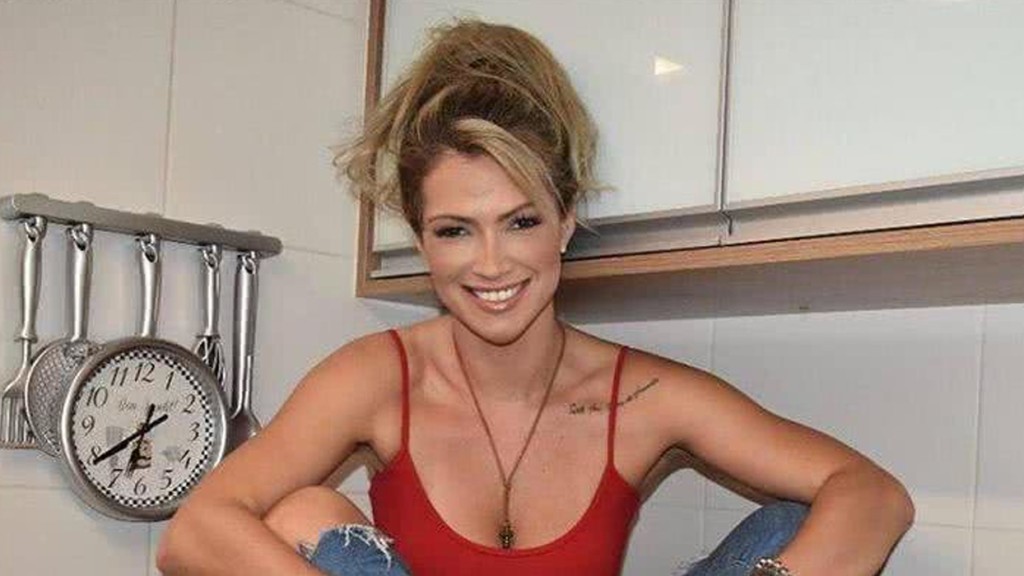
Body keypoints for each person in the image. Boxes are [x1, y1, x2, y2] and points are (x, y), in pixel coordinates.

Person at [156, 20, 914, 576]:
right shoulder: (377, 378)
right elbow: (193, 534)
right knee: (299, 512)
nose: (492, 264)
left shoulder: (644, 396)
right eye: (456, 230)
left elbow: (873, 495)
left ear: (565, 222)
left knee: (793, 523)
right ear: (422, 240)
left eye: (520, 222)